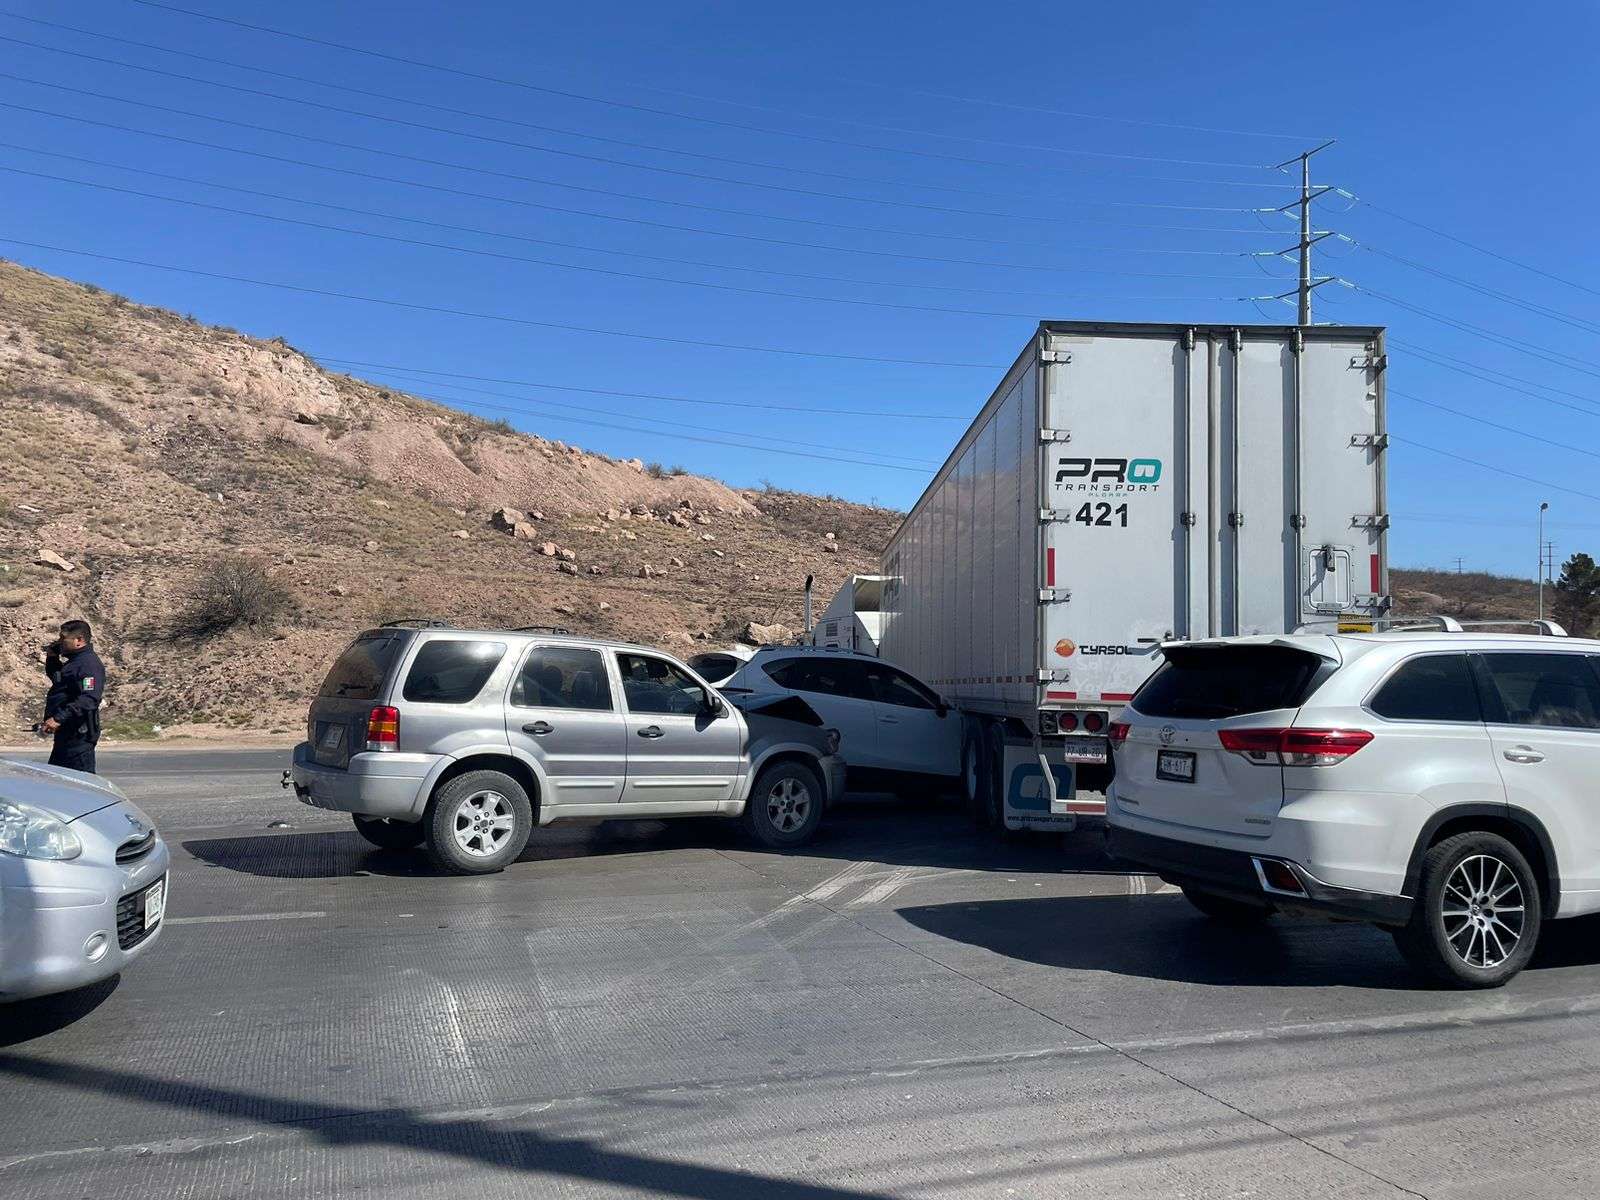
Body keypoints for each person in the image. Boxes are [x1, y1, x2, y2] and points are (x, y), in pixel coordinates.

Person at [41, 619, 105, 774]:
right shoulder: (75, 662)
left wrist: (58, 718)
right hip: (67, 734)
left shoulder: (88, 664)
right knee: (58, 781)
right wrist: (52, 657)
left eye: (63, 639)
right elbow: (58, 680)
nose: (60, 642)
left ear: (79, 640)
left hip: (79, 736)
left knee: (81, 785)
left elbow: (89, 699)